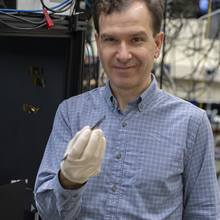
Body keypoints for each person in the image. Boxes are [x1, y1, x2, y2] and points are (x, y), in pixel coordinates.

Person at [34, 0, 220, 219]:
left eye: (136, 39)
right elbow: (47, 214)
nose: (123, 55)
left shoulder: (192, 123)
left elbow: (204, 213)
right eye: (111, 39)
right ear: (98, 42)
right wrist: (69, 180)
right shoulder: (70, 113)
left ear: (157, 44)